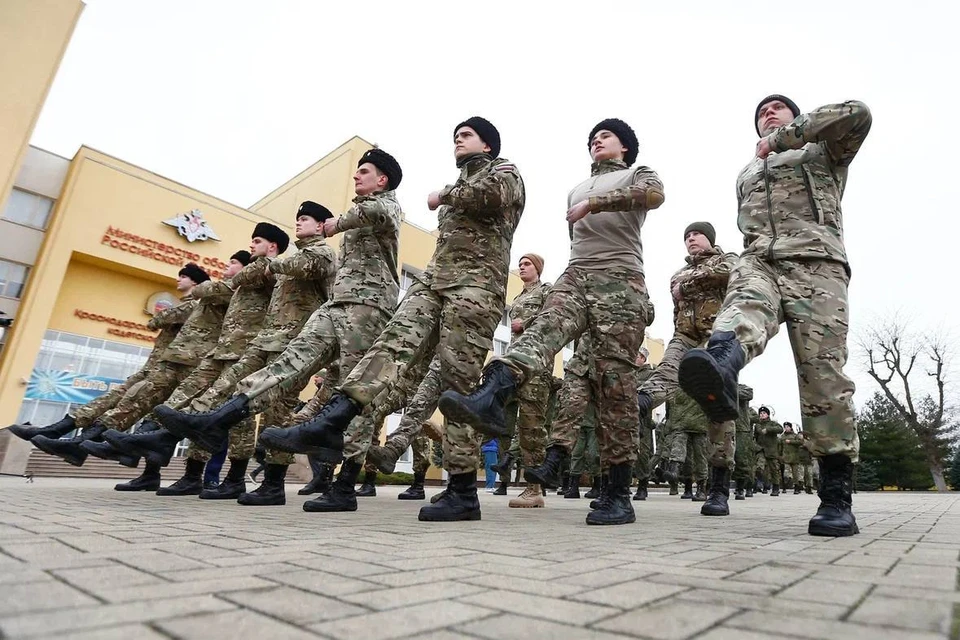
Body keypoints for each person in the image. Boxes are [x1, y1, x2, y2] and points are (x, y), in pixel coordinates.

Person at [256, 117, 525, 523]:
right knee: (389, 347)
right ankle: (332, 421)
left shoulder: (504, 171)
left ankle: (463, 490)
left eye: (467, 135)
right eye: (456, 135)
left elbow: (492, 195)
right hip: (433, 282)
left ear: (487, 146)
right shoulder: (460, 190)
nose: (458, 139)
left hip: (475, 290)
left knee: (456, 387)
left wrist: (444, 193)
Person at [440, 118, 663, 525]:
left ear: (625, 148)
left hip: (622, 281)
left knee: (615, 385)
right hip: (576, 274)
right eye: (593, 138)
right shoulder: (576, 187)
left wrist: (594, 204)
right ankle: (491, 394)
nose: (597, 141)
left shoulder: (636, 173)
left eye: (606, 137)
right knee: (543, 331)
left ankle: (617, 492)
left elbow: (654, 195)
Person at [155, 150, 402, 510]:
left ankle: (345, 484)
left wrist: (336, 223)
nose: (356, 177)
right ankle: (219, 419)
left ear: (382, 179)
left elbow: (377, 212)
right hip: (336, 305)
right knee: (288, 362)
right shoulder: (357, 216)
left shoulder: (386, 206)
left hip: (369, 307)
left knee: (355, 393)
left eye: (363, 172)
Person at [678, 95, 871, 536]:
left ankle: (836, 497)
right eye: (762, 112)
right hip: (759, 259)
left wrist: (787, 137)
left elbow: (857, 113)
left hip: (816, 264)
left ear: (796, 118)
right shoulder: (747, 172)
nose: (768, 112)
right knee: (741, 308)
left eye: (778, 108)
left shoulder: (824, 151)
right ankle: (720, 367)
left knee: (822, 376)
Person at [755, 406, 784, 496]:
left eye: (764, 413)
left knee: (774, 469)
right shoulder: (757, 424)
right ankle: (760, 483)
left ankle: (775, 487)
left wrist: (768, 430)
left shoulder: (772, 424)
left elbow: (780, 429)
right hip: (761, 449)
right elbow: (755, 435)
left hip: (771, 450)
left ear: (767, 414)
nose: (762, 415)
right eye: (760, 413)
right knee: (758, 467)